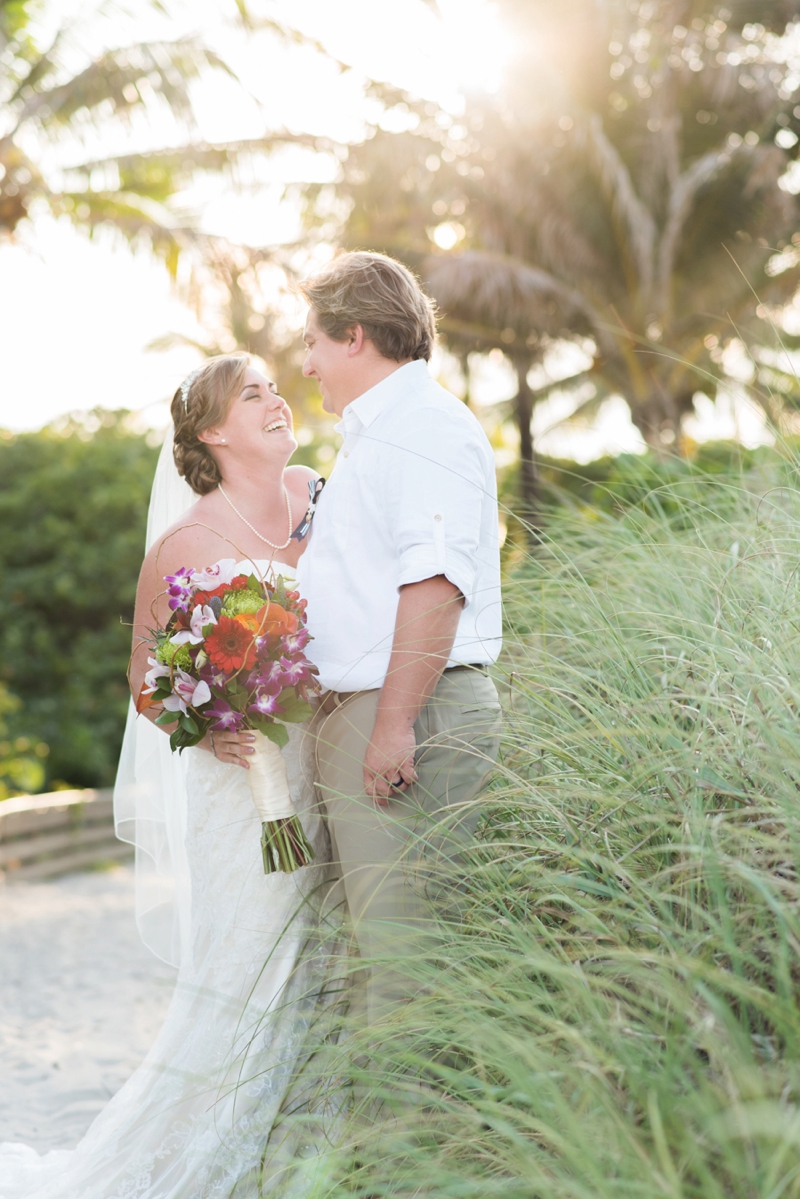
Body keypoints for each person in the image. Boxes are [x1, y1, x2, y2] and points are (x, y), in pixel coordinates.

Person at [0, 354, 334, 1198]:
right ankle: (220, 1150)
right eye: (252, 392)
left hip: (330, 763)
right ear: (214, 431)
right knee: (251, 958)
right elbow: (145, 674)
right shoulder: (183, 542)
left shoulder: (318, 494)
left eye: (273, 386)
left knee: (329, 954)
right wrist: (213, 720)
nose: (276, 399)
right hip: (236, 790)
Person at [297, 251, 503, 1022]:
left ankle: (402, 1144)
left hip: (412, 710)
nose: (306, 363)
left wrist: (390, 723)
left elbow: (437, 582)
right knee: (374, 960)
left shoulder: (421, 427)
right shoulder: (378, 434)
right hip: (381, 710)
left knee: (402, 970)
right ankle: (372, 1144)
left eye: (312, 341)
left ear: (353, 335)